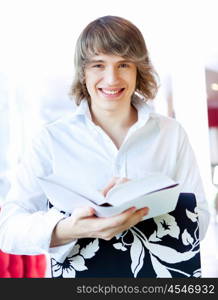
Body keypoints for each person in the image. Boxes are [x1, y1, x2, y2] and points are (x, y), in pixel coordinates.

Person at [0, 15, 210, 278]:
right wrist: (71, 228)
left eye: (123, 65)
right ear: (83, 72)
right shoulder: (51, 140)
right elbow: (8, 230)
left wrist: (143, 211)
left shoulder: (170, 134)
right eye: (99, 65)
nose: (111, 79)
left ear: (137, 71)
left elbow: (199, 216)